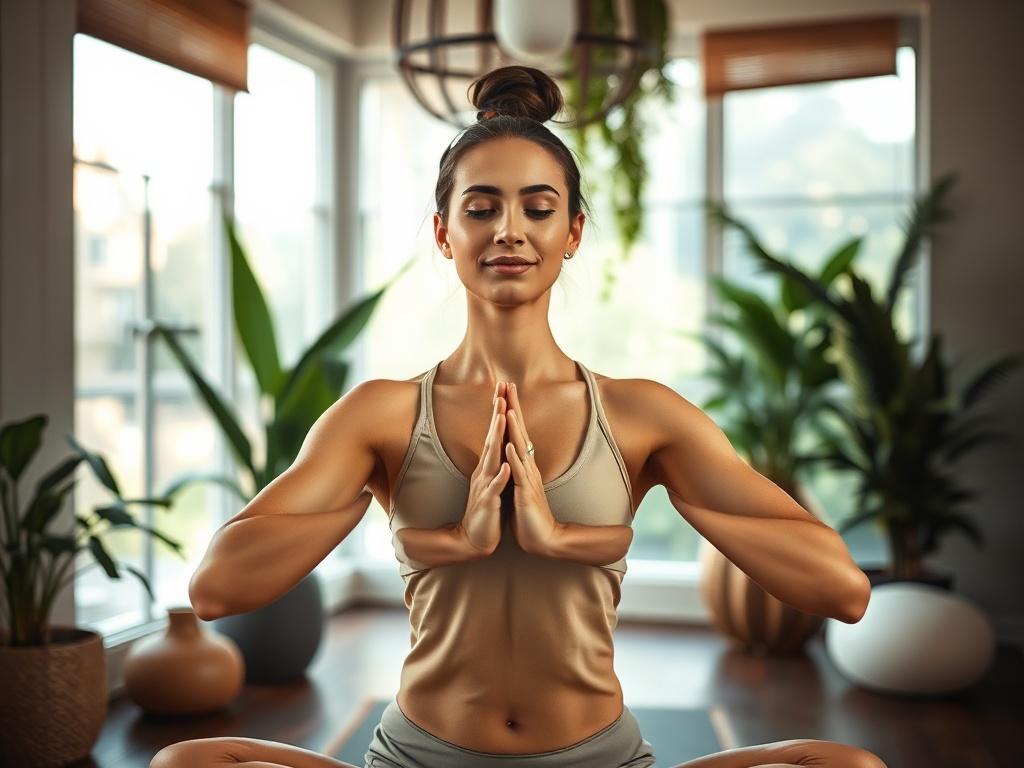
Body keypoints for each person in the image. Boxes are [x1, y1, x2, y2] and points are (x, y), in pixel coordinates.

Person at [151, 66, 887, 768]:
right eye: (481, 209)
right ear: (444, 234)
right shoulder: (380, 415)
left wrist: (564, 539)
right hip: (419, 758)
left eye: (538, 209)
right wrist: (435, 532)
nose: (509, 231)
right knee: (186, 760)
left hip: (598, 759)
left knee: (845, 762)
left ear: (572, 233)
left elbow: (844, 593)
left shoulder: (642, 417)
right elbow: (217, 589)